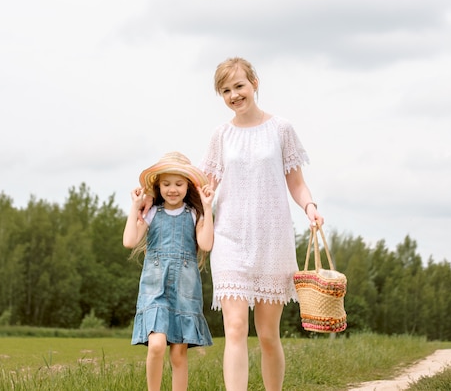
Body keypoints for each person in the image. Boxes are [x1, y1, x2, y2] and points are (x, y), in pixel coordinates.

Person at [201, 57, 324, 390]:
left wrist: (309, 207)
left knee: (268, 334)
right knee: (236, 328)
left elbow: (296, 183)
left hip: (272, 239)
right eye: (225, 90)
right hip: (229, 238)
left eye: (239, 86)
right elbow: (205, 186)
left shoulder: (281, 129)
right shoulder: (220, 135)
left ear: (254, 83)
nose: (233, 95)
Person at [123, 151, 215, 391]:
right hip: (154, 288)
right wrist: (135, 207)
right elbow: (129, 241)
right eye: (166, 184)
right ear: (158, 186)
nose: (172, 189)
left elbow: (205, 244)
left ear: (188, 186)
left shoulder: (194, 214)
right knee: (156, 345)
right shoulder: (152, 213)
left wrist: (207, 207)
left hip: (185, 290)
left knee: (178, 355)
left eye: (178, 183)